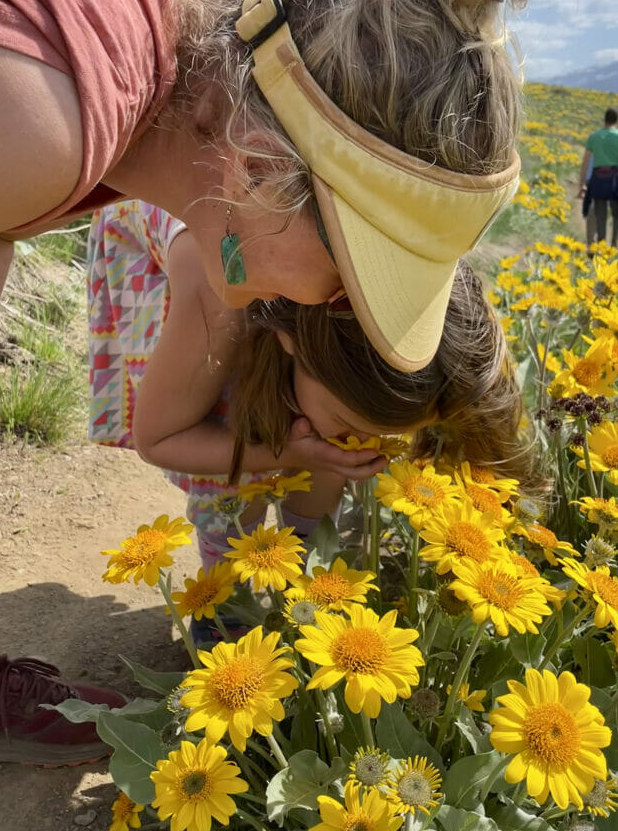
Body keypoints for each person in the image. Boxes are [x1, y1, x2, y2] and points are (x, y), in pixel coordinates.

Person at [0, 0, 572, 771]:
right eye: (352, 284)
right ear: (261, 173)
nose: (331, 312)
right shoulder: (47, 125)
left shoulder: (150, 30)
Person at [88, 200, 531, 571]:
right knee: (233, 431)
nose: (364, 442)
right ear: (290, 340)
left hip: (283, 236)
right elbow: (162, 439)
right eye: (347, 419)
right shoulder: (221, 299)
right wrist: (289, 451)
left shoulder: (424, 301)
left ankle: (307, 565)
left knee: (329, 444)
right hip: (178, 230)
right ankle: (221, 591)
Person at [578, 108, 618, 249]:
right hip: (615, 179)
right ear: (617, 120)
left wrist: (581, 184)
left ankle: (601, 247)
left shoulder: (594, 137)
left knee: (600, 216)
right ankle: (615, 246)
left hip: (598, 180)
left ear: (605, 119)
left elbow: (585, 163)